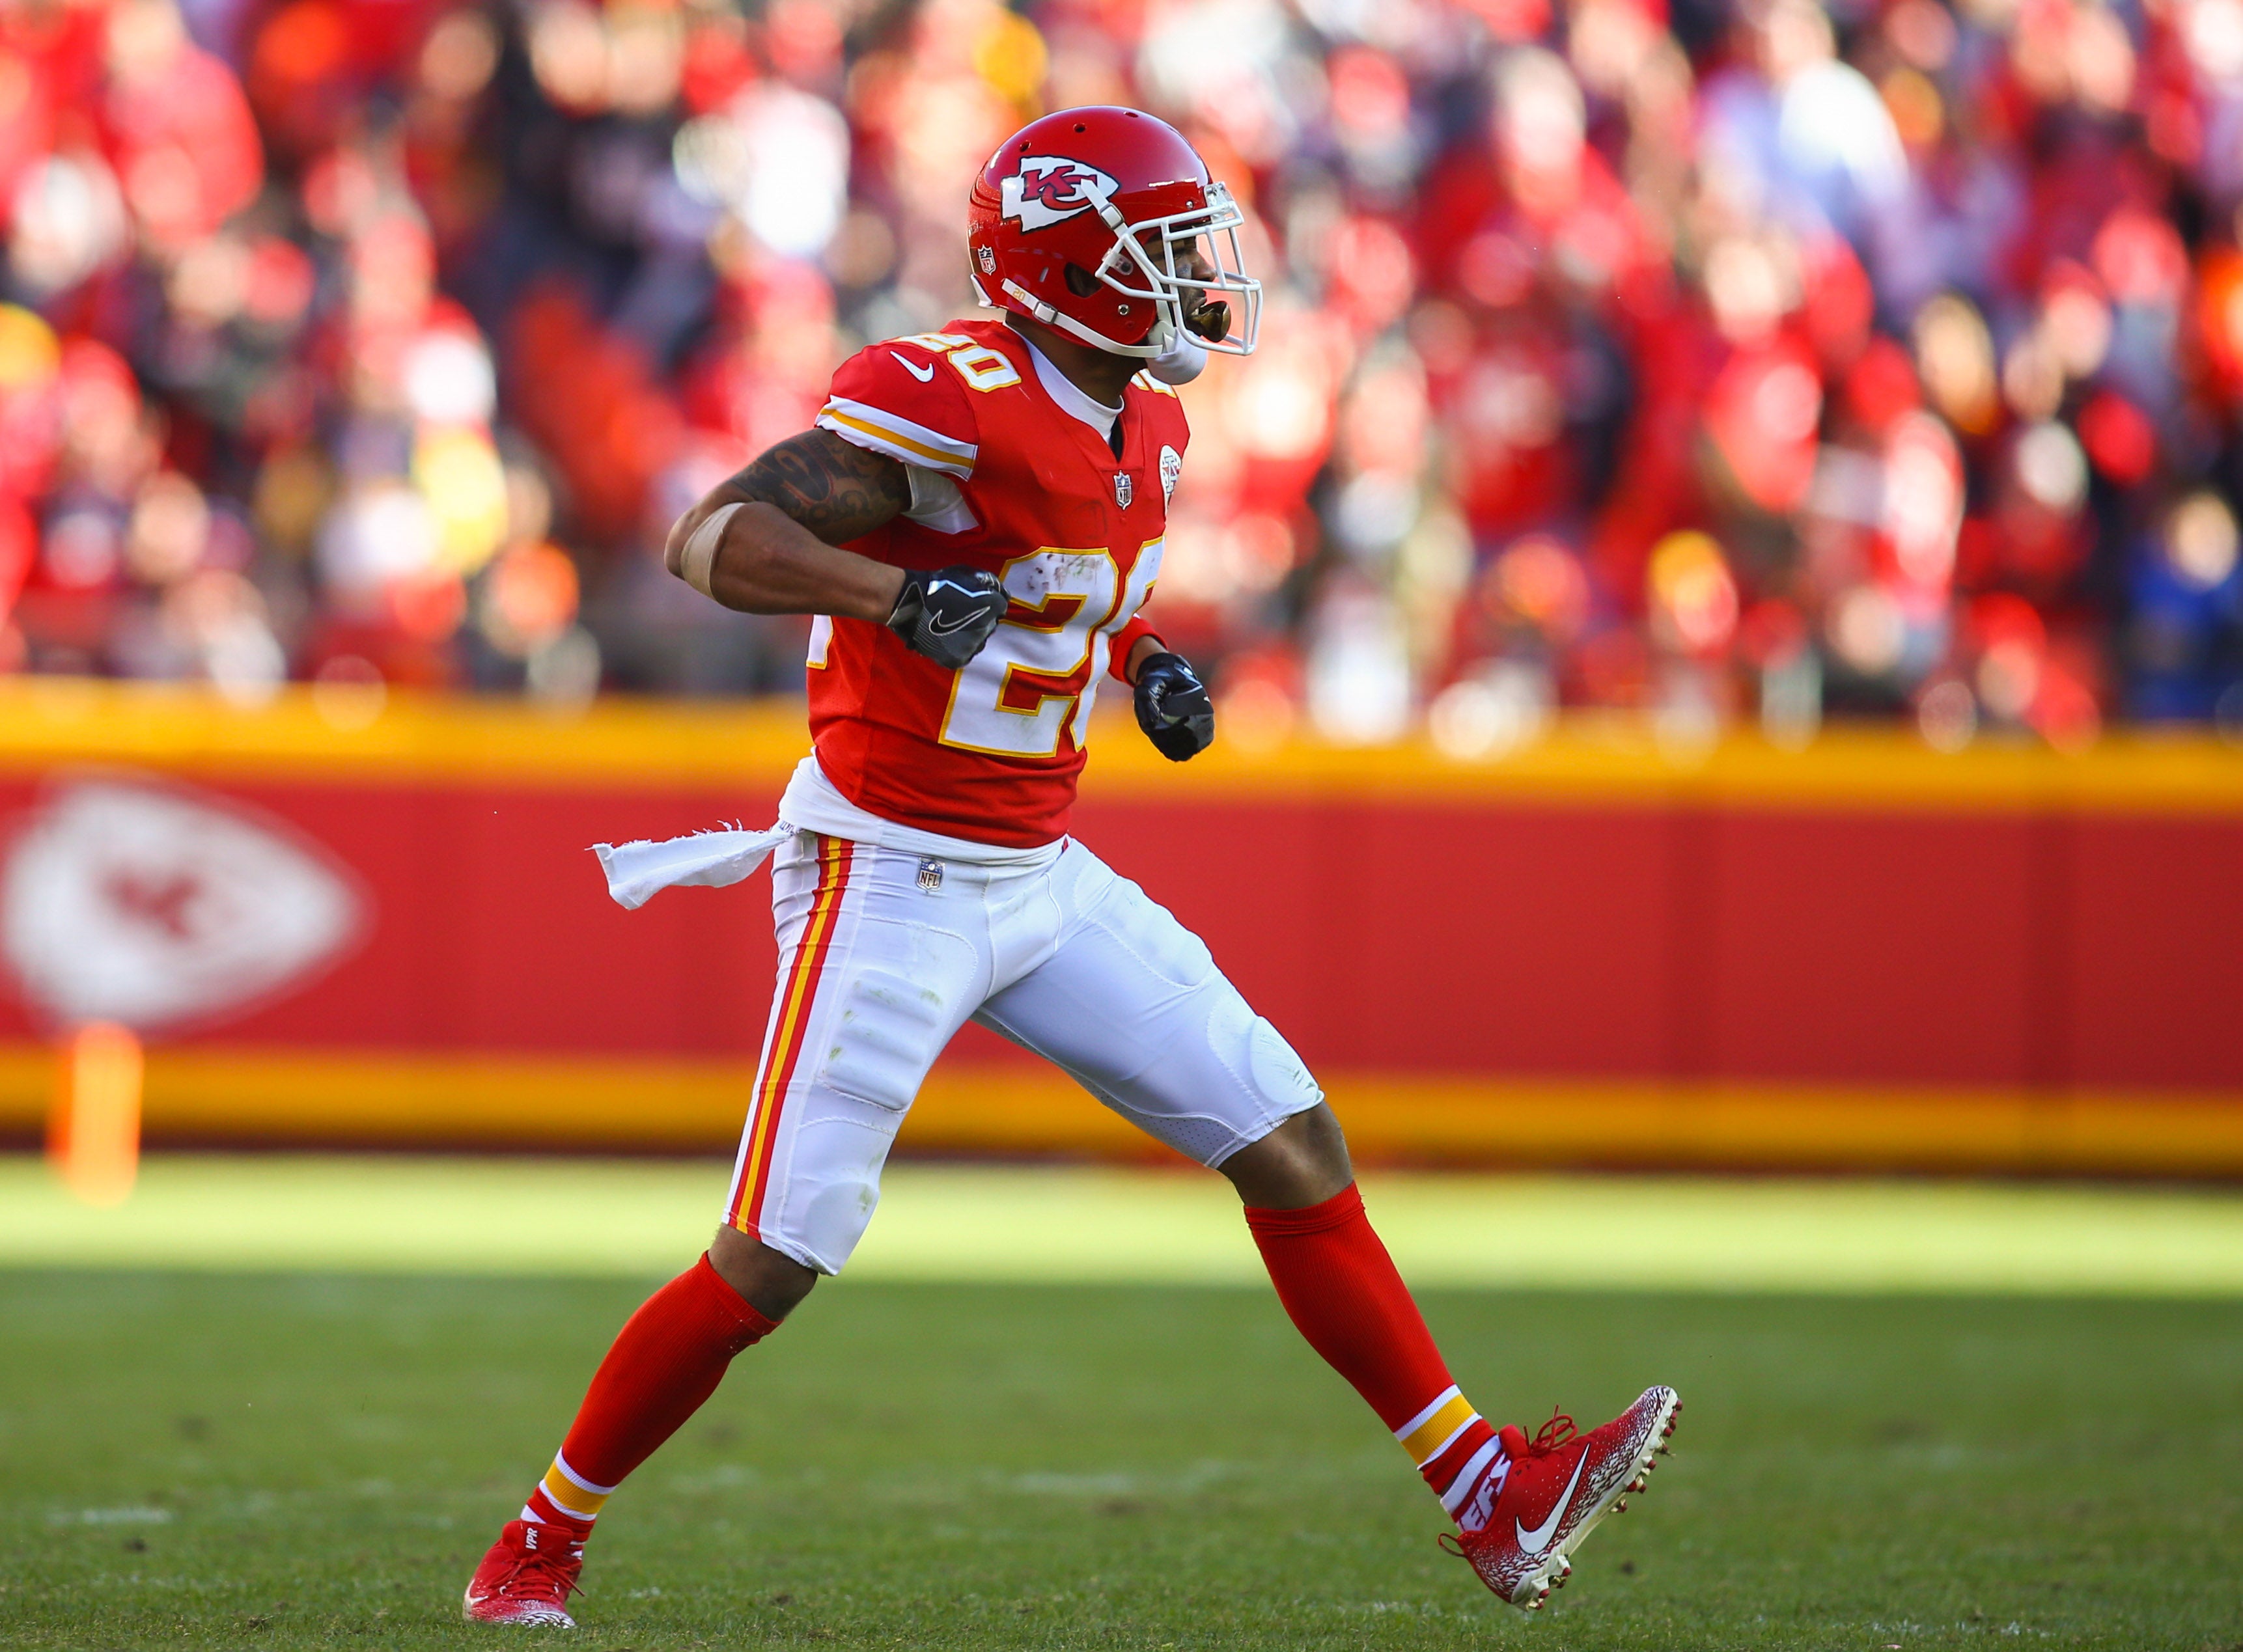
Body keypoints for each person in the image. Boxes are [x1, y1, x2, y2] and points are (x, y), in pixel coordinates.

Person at [461, 105, 1677, 1629]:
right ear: (1070, 268)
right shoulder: (943, 393)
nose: (1195, 277)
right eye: (1163, 251)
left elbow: (1061, 594)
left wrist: (1140, 660)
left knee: (1287, 1137)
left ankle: (1487, 1493)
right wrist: (884, 595)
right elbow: (713, 538)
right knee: (772, 1257)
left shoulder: (1146, 421)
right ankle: (537, 1537)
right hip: (888, 867)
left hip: (1035, 868)